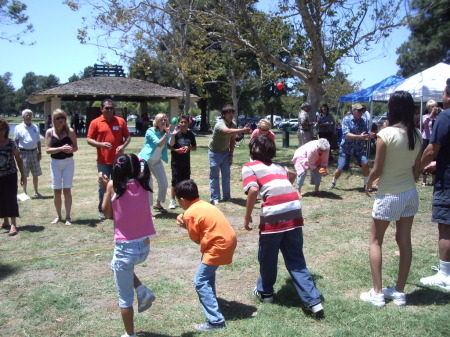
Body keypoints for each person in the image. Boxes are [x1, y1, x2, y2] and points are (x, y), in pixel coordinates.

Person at [242, 135, 324, 316]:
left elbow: (254, 189)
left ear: (252, 150)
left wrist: (247, 217)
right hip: (294, 209)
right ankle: (314, 302)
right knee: (295, 258)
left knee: (267, 256)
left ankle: (266, 293)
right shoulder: (279, 167)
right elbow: (293, 174)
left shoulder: (249, 167)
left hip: (273, 214)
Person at [360, 91, 423, 307]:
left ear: (392, 107)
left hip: (389, 195)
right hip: (409, 194)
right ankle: (399, 292)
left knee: (376, 241)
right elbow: (416, 170)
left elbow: (377, 169)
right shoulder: (417, 133)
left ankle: (377, 293)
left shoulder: (385, 134)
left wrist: (369, 182)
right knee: (404, 241)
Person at [99, 153, 156, 337]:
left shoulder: (113, 186)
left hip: (126, 249)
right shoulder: (145, 184)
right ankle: (141, 290)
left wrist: (106, 189)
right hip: (144, 246)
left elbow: (107, 213)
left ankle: (129, 334)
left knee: (124, 299)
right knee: (114, 266)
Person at [175, 179, 237, 331]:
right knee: (208, 278)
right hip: (228, 240)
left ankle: (216, 321)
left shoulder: (190, 214)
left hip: (217, 246)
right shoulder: (203, 204)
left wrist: (185, 226)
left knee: (200, 281)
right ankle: (213, 305)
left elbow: (196, 239)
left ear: (182, 200)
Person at [419, 78, 450, 291]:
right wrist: (438, 164)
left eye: (444, 92)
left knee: (446, 227)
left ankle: (445, 275)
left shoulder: (445, 117)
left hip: (447, 184)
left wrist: (414, 169)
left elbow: (431, 149)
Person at [87, 99, 131, 220]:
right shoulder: (95, 122)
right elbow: (89, 139)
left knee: (120, 184)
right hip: (103, 161)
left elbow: (128, 137)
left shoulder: (120, 121)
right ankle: (103, 210)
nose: (109, 110)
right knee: (103, 186)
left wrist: (123, 146)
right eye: (107, 108)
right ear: (101, 109)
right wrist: (101, 144)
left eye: (111, 108)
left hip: (119, 161)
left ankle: (118, 209)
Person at [208, 105, 251, 205]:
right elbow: (227, 131)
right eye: (229, 113)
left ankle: (227, 197)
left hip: (225, 152)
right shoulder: (220, 123)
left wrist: (231, 154)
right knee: (214, 176)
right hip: (214, 153)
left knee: (226, 175)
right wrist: (243, 130)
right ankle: (215, 198)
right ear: (224, 114)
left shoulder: (233, 124)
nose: (231, 114)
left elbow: (232, 140)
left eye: (232, 112)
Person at [328, 103, 375, 191]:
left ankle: (366, 184)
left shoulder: (364, 120)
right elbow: (347, 135)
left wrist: (370, 135)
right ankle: (333, 182)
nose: (361, 112)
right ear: (353, 111)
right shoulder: (346, 120)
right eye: (359, 110)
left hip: (359, 148)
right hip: (346, 148)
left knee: (365, 164)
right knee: (341, 168)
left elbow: (366, 133)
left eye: (362, 110)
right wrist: (360, 136)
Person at [45, 109, 78, 226]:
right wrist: (61, 148)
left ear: (65, 119)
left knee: (67, 190)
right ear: (54, 120)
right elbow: (48, 150)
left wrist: (70, 149)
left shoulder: (70, 131)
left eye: (62, 118)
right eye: (58, 118)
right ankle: (58, 216)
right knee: (57, 190)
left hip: (68, 162)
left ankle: (68, 216)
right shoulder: (50, 132)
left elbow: (75, 148)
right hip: (55, 163)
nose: (60, 120)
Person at [139, 113, 172, 213]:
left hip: (156, 161)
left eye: (165, 119)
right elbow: (158, 143)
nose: (163, 121)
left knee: (164, 184)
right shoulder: (150, 131)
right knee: (149, 185)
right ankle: (147, 211)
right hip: (145, 160)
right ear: (156, 122)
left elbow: (171, 144)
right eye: (161, 120)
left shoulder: (166, 133)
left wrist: (173, 135)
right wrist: (166, 134)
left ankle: (158, 204)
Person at [0, 119, 26, 236]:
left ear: (6, 130)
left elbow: (19, 159)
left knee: (11, 198)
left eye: (2, 129)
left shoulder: (11, 143)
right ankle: (5, 221)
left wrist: (23, 175)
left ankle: (13, 224)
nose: (0, 131)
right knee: (1, 199)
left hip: (10, 174)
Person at [168, 115, 197, 209]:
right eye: (182, 122)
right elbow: (169, 146)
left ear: (188, 123)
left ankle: (185, 200)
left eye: (185, 122)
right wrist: (176, 150)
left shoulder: (191, 134)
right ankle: (172, 201)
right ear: (179, 123)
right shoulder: (176, 133)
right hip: (176, 162)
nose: (183, 124)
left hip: (186, 162)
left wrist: (188, 147)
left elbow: (195, 148)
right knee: (175, 182)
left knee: (186, 182)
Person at [14, 109, 43, 197]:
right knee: (24, 174)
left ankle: (36, 191)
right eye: (27, 115)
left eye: (30, 115)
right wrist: (18, 154)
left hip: (34, 152)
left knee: (35, 174)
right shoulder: (18, 127)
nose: (28, 117)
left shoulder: (35, 127)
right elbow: (16, 141)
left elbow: (38, 141)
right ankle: (24, 192)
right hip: (24, 153)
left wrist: (40, 152)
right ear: (23, 116)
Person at [421, 99, 440, 187]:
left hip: (435, 140)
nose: (434, 108)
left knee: (435, 159)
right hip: (427, 139)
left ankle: (434, 180)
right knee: (426, 159)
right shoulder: (425, 116)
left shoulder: (439, 117)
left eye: (435, 106)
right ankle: (424, 180)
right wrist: (431, 115)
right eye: (432, 106)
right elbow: (424, 124)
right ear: (429, 108)